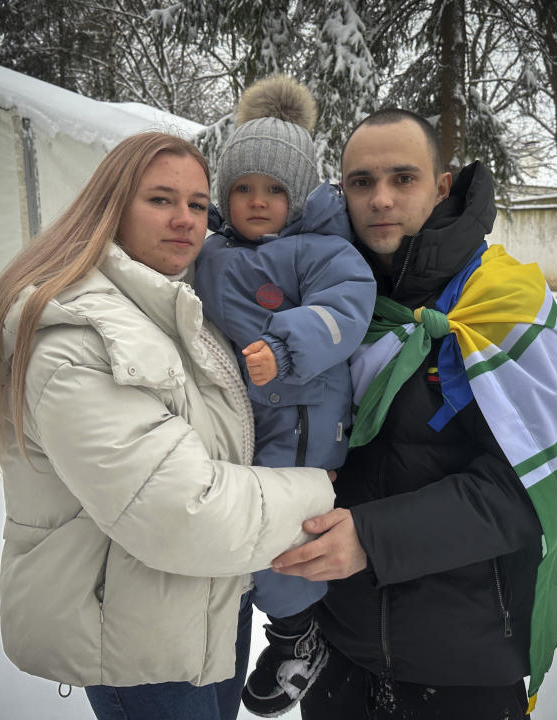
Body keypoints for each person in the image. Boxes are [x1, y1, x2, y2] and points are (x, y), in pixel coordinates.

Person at [0, 132, 337, 720]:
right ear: (111, 205)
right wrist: (325, 493)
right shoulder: (78, 337)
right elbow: (182, 510)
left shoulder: (176, 308)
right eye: (160, 200)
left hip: (210, 605)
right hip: (140, 636)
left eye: (196, 203)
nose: (184, 219)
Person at [272, 110, 557, 719]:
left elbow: (525, 492)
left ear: (442, 187)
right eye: (361, 182)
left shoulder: (501, 302)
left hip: (463, 662)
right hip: (341, 647)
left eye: (402, 178)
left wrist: (373, 537)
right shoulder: (332, 304)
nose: (380, 199)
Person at [195, 75, 376, 717]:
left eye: (274, 189)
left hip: (302, 425)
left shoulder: (323, 250)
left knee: (286, 539)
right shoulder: (209, 251)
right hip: (238, 422)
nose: (257, 201)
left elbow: (346, 309)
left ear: (298, 196)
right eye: (242, 188)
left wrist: (287, 346)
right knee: (236, 531)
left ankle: (298, 638)